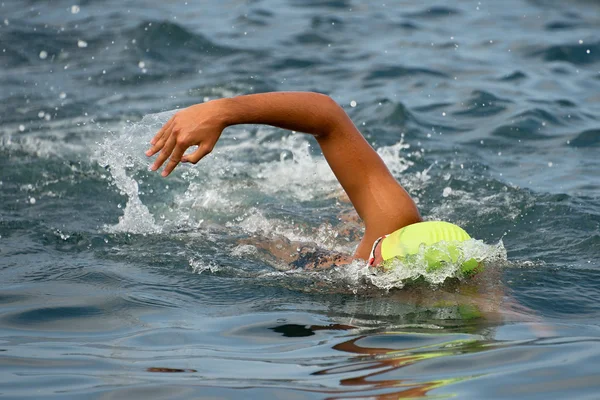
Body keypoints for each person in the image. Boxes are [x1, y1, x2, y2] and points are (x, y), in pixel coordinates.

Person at [145, 92, 475, 272]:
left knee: (265, 243)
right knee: (267, 240)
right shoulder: (397, 223)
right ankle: (345, 204)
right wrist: (222, 111)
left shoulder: (372, 271)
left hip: (327, 274)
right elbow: (327, 115)